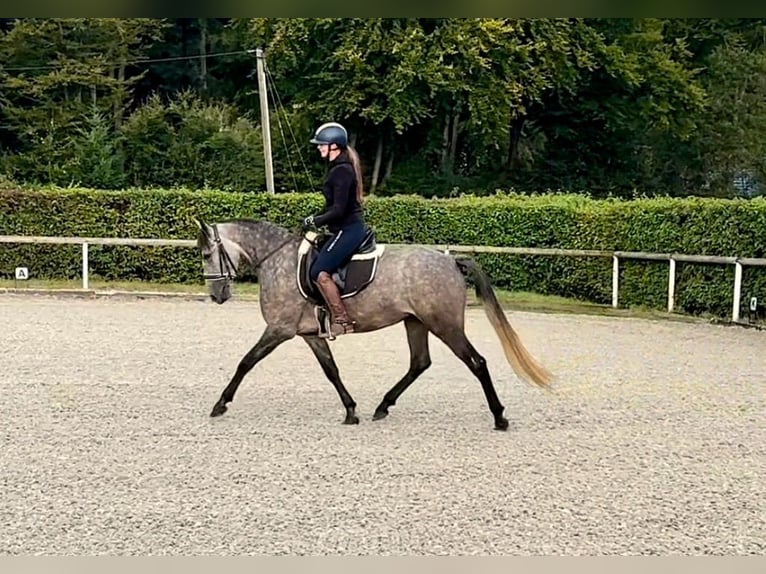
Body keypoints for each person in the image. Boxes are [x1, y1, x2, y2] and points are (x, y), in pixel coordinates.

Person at [302, 121, 366, 336]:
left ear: (334, 146)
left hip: (348, 230)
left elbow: (338, 210)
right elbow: (332, 206)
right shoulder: (338, 168)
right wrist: (315, 218)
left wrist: (316, 221)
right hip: (341, 229)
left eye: (322, 144)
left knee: (318, 272)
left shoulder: (341, 171)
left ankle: (342, 320)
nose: (319, 147)